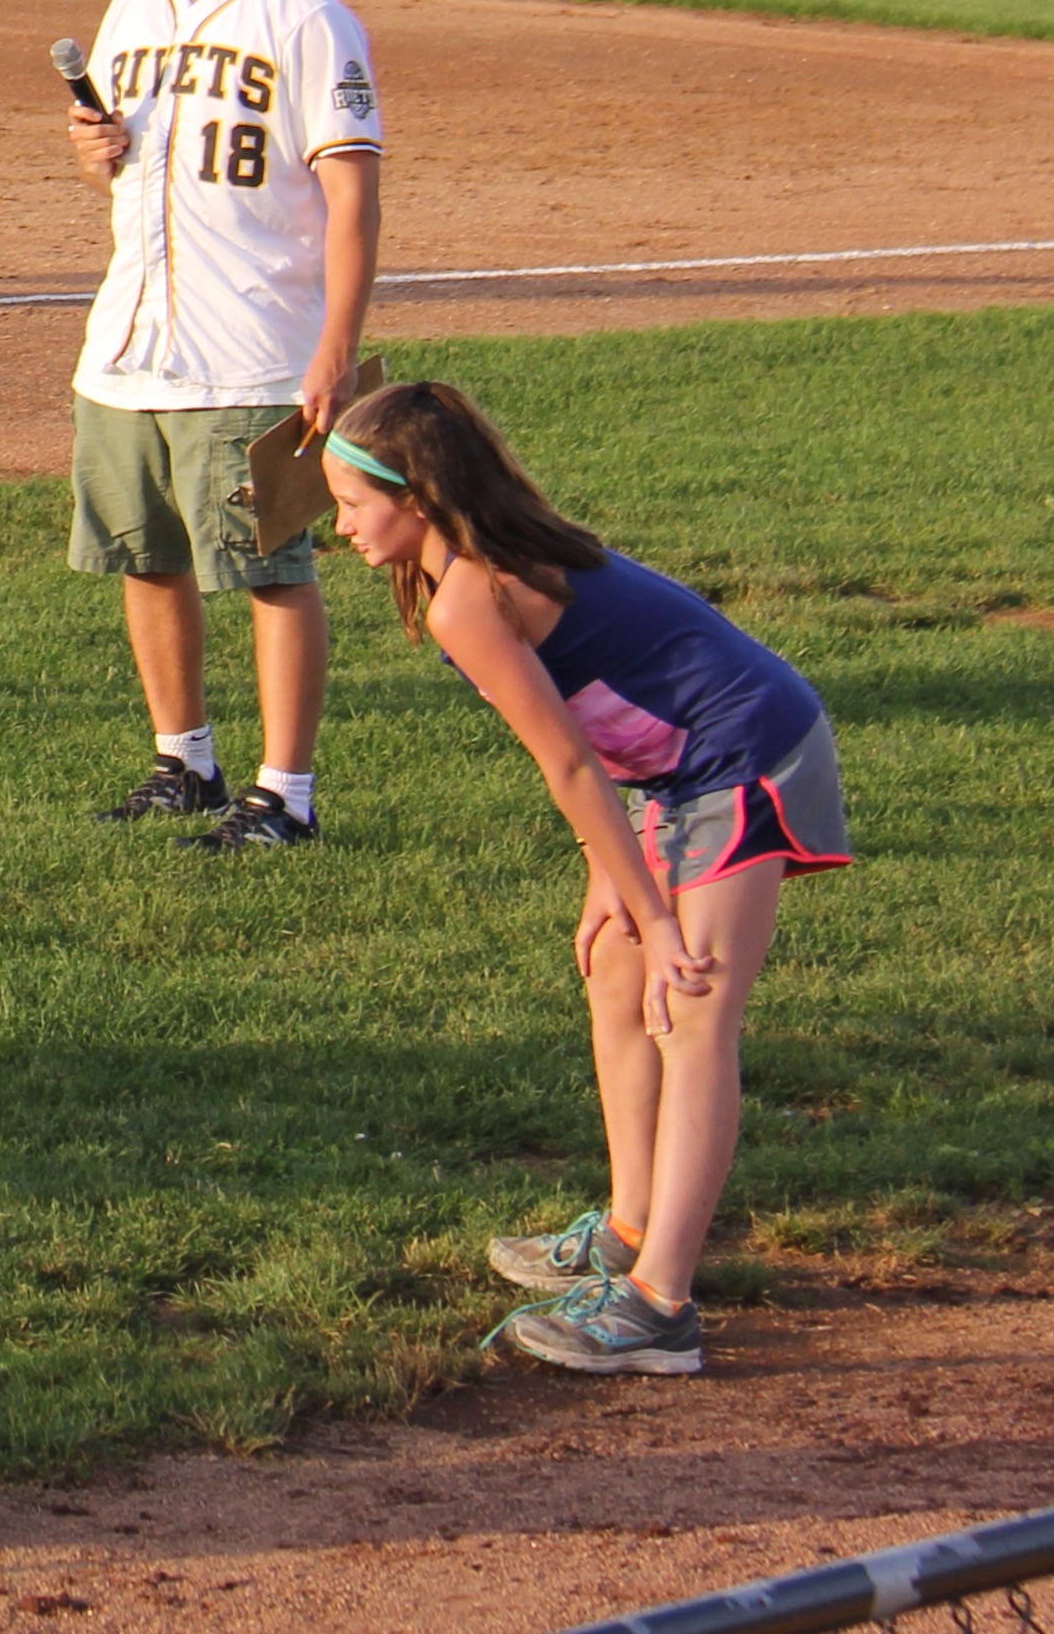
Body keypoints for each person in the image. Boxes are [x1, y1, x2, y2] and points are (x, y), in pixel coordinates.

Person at [322, 378, 848, 1377]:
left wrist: (654, 907)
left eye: (353, 503)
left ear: (420, 501)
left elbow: (565, 761)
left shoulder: (474, 592)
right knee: (615, 967)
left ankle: (661, 1307)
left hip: (743, 752)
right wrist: (616, 888)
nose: (339, 526)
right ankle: (627, 1226)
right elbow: (585, 731)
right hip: (672, 768)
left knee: (690, 1004)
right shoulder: (458, 576)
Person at [61, 0, 383, 852]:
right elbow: (125, 151)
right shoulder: (134, 6)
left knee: (269, 570)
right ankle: (183, 763)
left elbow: (352, 191)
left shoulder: (304, 15)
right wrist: (92, 150)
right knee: (147, 557)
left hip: (252, 346)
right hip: (131, 342)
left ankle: (285, 792)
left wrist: (335, 347)